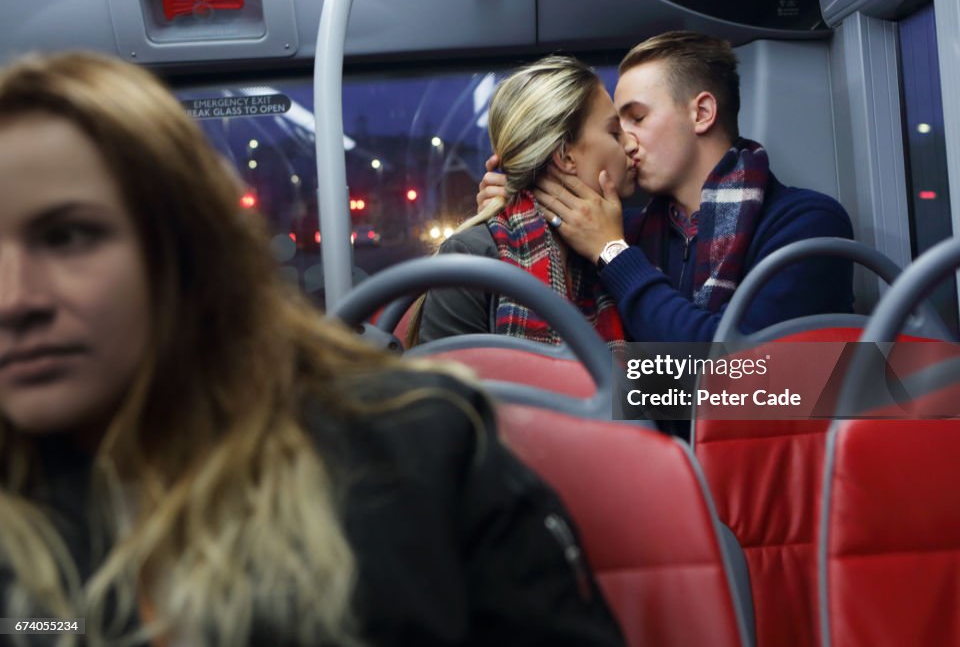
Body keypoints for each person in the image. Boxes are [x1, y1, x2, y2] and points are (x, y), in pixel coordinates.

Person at [0, 52, 626, 646]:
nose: (13, 300)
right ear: (568, 156)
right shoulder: (486, 260)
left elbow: (716, 388)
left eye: (69, 237)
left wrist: (623, 265)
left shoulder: (424, 445)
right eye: (617, 126)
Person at [479, 31, 854, 343]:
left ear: (702, 113)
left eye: (637, 118)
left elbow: (746, 379)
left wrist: (614, 254)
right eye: (615, 128)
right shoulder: (621, 229)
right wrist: (515, 198)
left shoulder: (807, 225)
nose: (625, 142)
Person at [412, 55, 638, 350]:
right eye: (614, 132)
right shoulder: (472, 256)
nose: (631, 143)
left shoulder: (626, 244)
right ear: (565, 156)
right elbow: (447, 391)